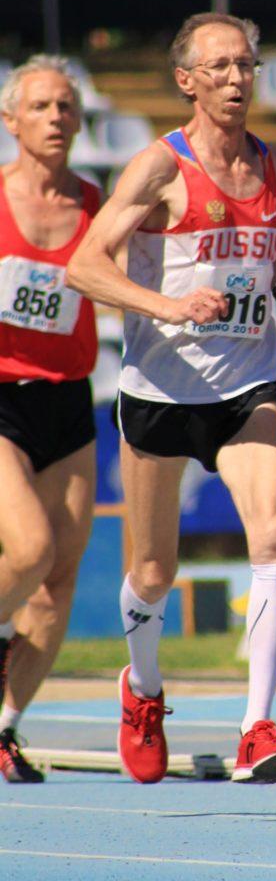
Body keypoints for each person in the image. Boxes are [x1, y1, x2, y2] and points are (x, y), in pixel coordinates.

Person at [67, 12, 276, 785]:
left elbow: (265, 262)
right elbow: (84, 268)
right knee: (153, 570)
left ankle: (257, 727)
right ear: (186, 81)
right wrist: (168, 306)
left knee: (274, 530)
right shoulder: (159, 168)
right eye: (218, 67)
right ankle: (142, 689)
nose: (236, 79)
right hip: (159, 391)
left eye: (246, 64)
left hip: (247, 383)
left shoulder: (274, 164)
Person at [0, 56, 100, 783]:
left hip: (68, 398)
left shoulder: (98, 206)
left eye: (66, 106)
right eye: (41, 107)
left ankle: (4, 725)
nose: (57, 118)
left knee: (57, 579)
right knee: (28, 548)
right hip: (0, 395)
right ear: (12, 121)